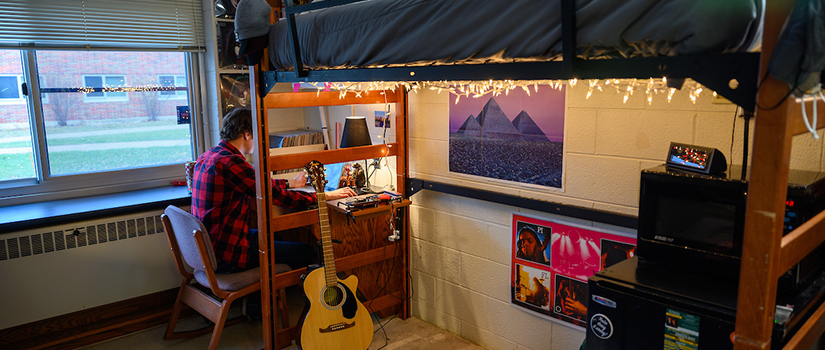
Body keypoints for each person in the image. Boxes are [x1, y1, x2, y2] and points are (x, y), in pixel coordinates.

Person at [191, 108, 355, 273]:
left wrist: (291, 182)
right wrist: (323, 196)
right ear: (247, 134)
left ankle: (278, 292)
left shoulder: (209, 156)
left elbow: (257, 184)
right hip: (228, 253)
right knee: (308, 252)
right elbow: (278, 197)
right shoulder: (231, 162)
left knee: (275, 237)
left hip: (210, 247)